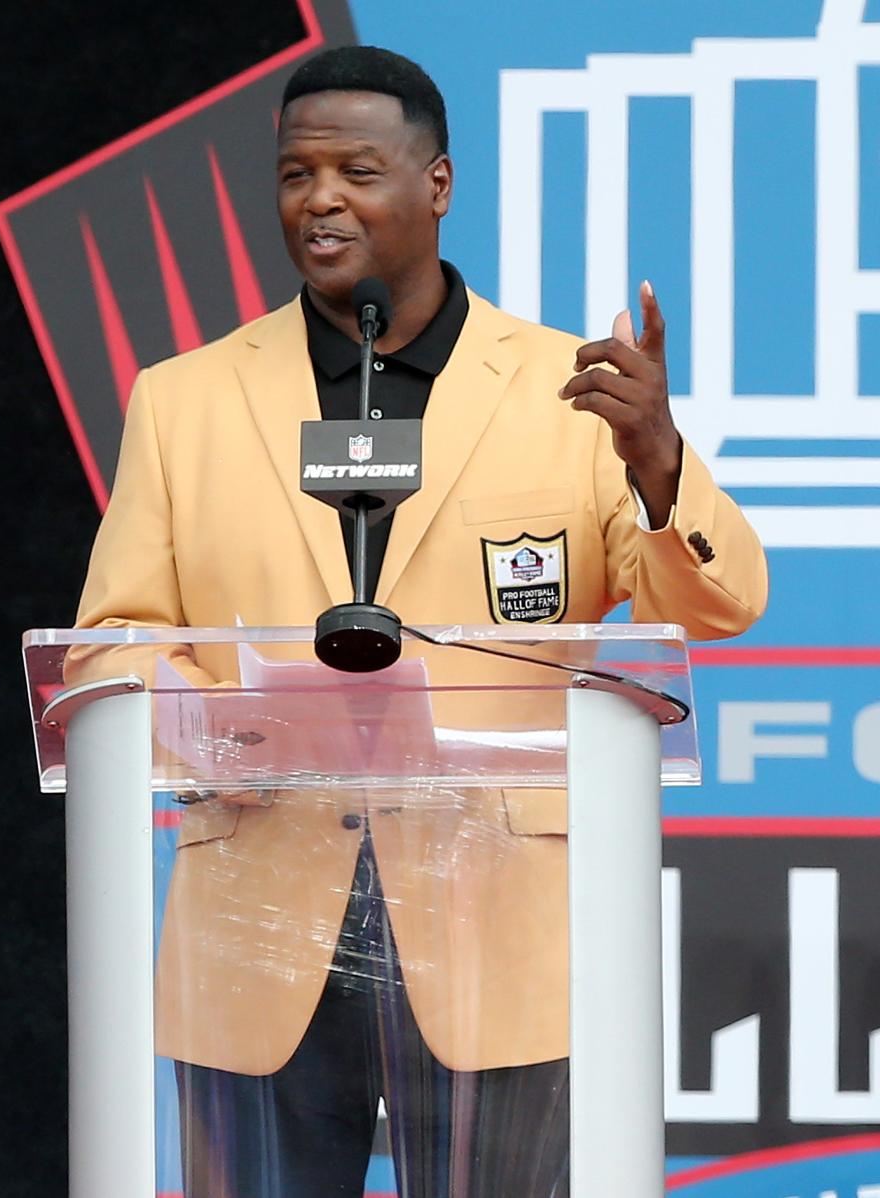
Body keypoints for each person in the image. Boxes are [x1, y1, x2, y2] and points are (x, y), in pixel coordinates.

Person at [71, 45, 768, 1198]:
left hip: (500, 936)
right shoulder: (186, 398)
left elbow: (721, 603)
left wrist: (660, 465)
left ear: (437, 185)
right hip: (258, 933)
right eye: (296, 175)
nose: (321, 200)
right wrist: (222, 726)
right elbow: (111, 641)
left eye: (357, 169)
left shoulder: (569, 390)